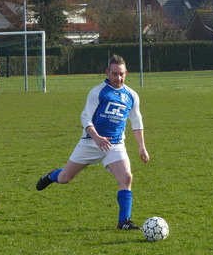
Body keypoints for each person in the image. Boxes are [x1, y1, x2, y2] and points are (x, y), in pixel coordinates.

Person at [36, 55, 150, 230]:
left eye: (121, 74)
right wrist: (97, 137)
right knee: (65, 178)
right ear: (107, 72)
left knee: (126, 177)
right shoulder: (98, 92)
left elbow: (137, 121)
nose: (118, 78)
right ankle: (52, 176)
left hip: (115, 145)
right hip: (90, 142)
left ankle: (124, 221)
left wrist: (142, 147)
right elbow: (85, 117)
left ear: (126, 73)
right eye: (114, 74)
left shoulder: (131, 96)